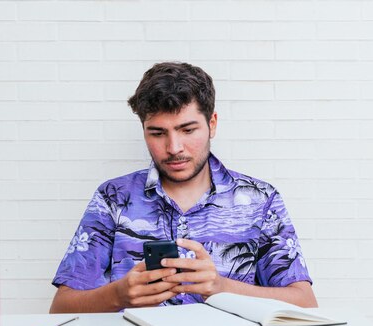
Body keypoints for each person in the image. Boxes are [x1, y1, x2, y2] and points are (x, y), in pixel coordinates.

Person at [50, 62, 317, 313]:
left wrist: (222, 288)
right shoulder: (113, 198)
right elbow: (60, 307)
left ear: (212, 124)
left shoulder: (260, 200)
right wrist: (117, 295)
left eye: (187, 130)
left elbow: (305, 303)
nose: (174, 148)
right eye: (157, 133)